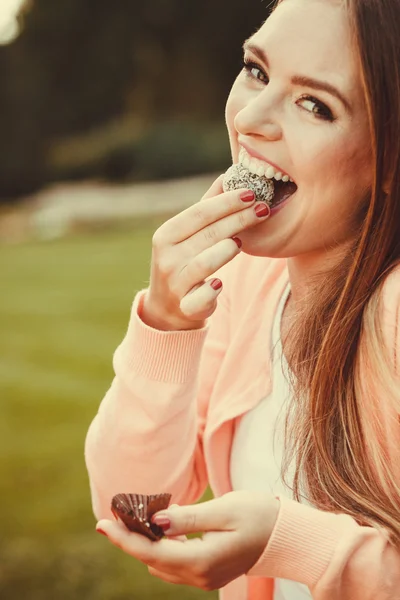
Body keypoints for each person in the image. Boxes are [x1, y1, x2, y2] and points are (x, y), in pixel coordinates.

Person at [85, 0, 400, 598]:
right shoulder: (248, 285)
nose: (251, 117)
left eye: (315, 104)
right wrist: (166, 326)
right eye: (256, 69)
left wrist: (289, 544)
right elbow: (131, 506)